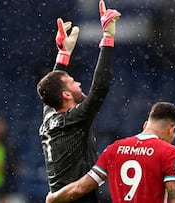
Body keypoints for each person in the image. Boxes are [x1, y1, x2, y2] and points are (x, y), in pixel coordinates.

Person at [36, 1, 121, 202]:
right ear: (66, 95)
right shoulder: (74, 119)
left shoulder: (51, 115)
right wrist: (108, 38)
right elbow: (100, 89)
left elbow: (53, 83)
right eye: (73, 82)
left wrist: (63, 54)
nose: (79, 83)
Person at [45, 102, 175, 203]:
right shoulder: (169, 152)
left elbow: (80, 188)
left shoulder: (115, 148)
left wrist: (54, 197)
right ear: (171, 129)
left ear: (146, 125)